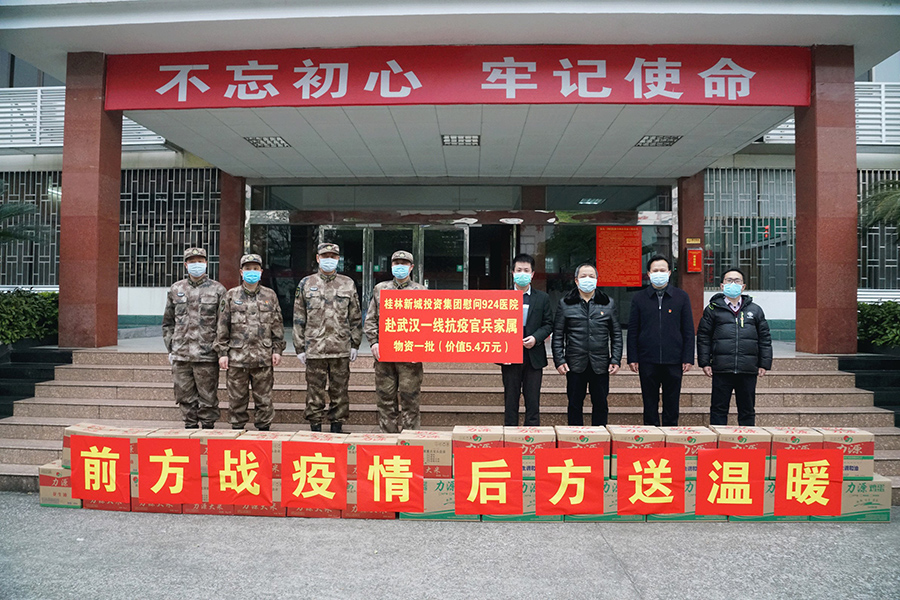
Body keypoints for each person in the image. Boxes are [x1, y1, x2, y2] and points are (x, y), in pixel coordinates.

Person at [293, 242, 362, 433]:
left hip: (340, 348)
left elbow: (355, 317)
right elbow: (299, 317)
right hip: (314, 348)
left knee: (340, 392)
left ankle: (336, 428)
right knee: (314, 392)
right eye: (325, 256)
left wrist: (355, 344)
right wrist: (299, 347)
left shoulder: (347, 283)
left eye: (333, 257)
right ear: (318, 258)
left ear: (338, 259)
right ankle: (315, 428)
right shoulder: (306, 283)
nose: (329, 260)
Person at [214, 254, 285, 431]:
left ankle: (264, 430)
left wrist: (277, 350)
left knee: (264, 399)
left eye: (255, 269)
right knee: (237, 400)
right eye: (247, 269)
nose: (251, 272)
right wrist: (222, 353)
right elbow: (222, 326)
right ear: (241, 272)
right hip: (237, 358)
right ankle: (237, 430)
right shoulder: (231, 295)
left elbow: (277, 325)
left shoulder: (270, 295)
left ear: (261, 272)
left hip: (263, 357)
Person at [696, 267, 773, 426]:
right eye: (729, 280)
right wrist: (704, 362)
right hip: (722, 368)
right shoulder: (712, 310)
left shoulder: (755, 310)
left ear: (743, 286)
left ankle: (747, 439)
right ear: (722, 285)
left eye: (737, 281)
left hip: (747, 368)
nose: (733, 284)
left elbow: (764, 338)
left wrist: (764, 363)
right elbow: (704, 337)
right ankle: (718, 439)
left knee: (747, 409)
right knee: (718, 408)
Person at [627, 254, 695, 426]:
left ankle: (671, 433)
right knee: (649, 401)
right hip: (647, 358)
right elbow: (633, 330)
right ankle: (652, 434)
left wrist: (688, 357)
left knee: (672, 401)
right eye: (655, 270)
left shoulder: (681, 297)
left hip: (674, 359)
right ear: (649, 274)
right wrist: (632, 357)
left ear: (669, 273)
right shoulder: (639, 298)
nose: (659, 273)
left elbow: (688, 330)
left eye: (662, 270)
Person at [162, 247, 226, 429]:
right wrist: (171, 347)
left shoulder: (218, 289)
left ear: (206, 263)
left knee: (208, 398)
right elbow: (168, 322)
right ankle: (189, 428)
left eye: (199, 261)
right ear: (185, 265)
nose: (196, 265)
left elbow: (223, 324)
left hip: (207, 355)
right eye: (192, 262)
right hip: (182, 354)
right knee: (184, 396)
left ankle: (207, 429)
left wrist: (221, 350)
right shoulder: (176, 289)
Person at [552, 262, 622, 426]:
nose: (587, 279)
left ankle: (600, 437)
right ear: (576, 280)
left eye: (591, 276)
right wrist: (559, 360)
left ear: (597, 279)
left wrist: (615, 359)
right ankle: (575, 438)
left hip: (601, 363)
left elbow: (616, 334)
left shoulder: (608, 303)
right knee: (574, 404)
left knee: (601, 404)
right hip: (575, 363)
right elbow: (558, 335)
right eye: (583, 276)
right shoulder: (565, 303)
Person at [364, 250, 426, 433]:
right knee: (385, 398)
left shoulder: (421, 291)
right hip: (385, 354)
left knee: (410, 399)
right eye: (396, 263)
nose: (400, 266)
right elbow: (370, 319)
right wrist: (374, 342)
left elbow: (428, 324)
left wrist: (421, 349)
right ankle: (388, 437)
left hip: (410, 356)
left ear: (411, 267)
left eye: (404, 264)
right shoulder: (380, 289)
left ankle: (410, 438)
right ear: (391, 266)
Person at [500, 253, 553, 426]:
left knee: (533, 401)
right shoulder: (502, 298)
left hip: (533, 357)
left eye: (526, 270)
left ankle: (532, 435)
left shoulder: (542, 298)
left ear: (532, 274)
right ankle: (510, 434)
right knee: (510, 400)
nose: (522, 273)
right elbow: (493, 326)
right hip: (510, 357)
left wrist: (536, 338)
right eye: (519, 270)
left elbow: (548, 324)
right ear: (512, 273)